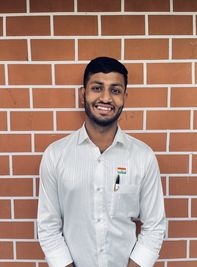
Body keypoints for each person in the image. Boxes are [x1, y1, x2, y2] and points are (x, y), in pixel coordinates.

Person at [37, 57, 166, 267]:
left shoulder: (143, 157)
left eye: (115, 90)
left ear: (124, 96)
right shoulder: (56, 155)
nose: (106, 98)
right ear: (83, 94)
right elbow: (48, 226)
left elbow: (155, 225)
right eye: (97, 88)